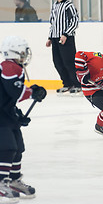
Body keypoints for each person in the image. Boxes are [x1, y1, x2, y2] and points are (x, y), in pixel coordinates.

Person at [0, 36, 47, 202]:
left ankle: (13, 181)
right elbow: (14, 92)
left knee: (18, 147)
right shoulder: (9, 66)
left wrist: (16, 113)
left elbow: (8, 96)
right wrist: (32, 92)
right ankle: (1, 183)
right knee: (7, 147)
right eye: (22, 52)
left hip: (6, 113)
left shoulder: (13, 67)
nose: (24, 55)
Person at [45, 0, 81, 95]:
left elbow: (75, 21)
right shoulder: (54, 5)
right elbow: (52, 22)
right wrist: (50, 37)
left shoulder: (68, 5)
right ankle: (67, 84)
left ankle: (77, 84)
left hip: (66, 38)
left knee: (69, 62)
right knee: (58, 62)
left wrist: (66, 34)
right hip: (55, 38)